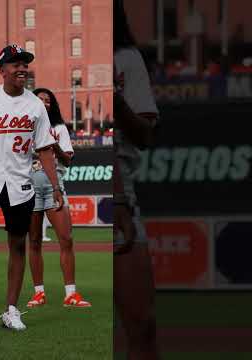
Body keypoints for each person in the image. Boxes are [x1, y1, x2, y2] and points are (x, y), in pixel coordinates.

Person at [0, 44, 63, 331]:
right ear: (2, 69)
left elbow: (44, 150)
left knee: (18, 244)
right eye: (15, 63)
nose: (22, 68)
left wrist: (56, 187)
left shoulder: (35, 106)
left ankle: (11, 309)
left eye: (24, 64)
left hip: (20, 181)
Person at [113, 1, 161, 359]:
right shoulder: (40, 58)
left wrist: (113, 100)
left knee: (141, 326)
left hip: (119, 195)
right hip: (58, 190)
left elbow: (145, 134)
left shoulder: (127, 59)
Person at [26, 88, 91, 308]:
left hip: (54, 186)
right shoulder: (23, 126)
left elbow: (67, 160)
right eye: (39, 99)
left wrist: (51, 144)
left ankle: (71, 294)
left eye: (48, 100)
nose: (44, 102)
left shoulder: (59, 128)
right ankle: (38, 293)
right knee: (33, 242)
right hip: (29, 188)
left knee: (66, 238)